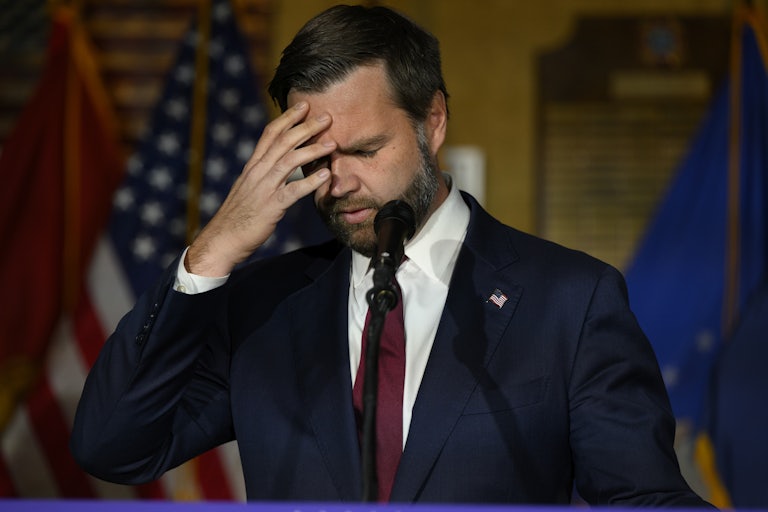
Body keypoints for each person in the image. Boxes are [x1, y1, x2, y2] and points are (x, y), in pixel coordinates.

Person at [71, 4, 713, 507]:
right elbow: (112, 446)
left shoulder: (570, 300)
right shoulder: (262, 308)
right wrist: (212, 251)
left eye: (365, 150)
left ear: (432, 122)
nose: (339, 183)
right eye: (316, 160)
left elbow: (643, 497)